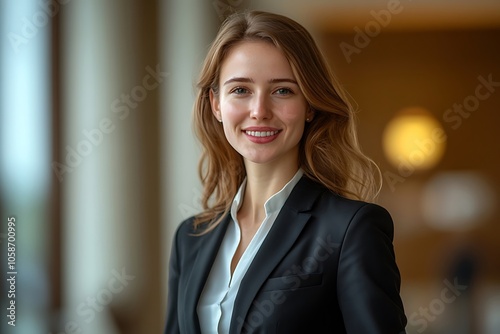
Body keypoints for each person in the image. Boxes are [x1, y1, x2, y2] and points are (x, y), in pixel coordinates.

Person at [165, 10, 407, 334]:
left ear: (309, 104)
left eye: (282, 90)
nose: (259, 111)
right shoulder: (190, 238)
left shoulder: (352, 230)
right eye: (240, 90)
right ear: (216, 104)